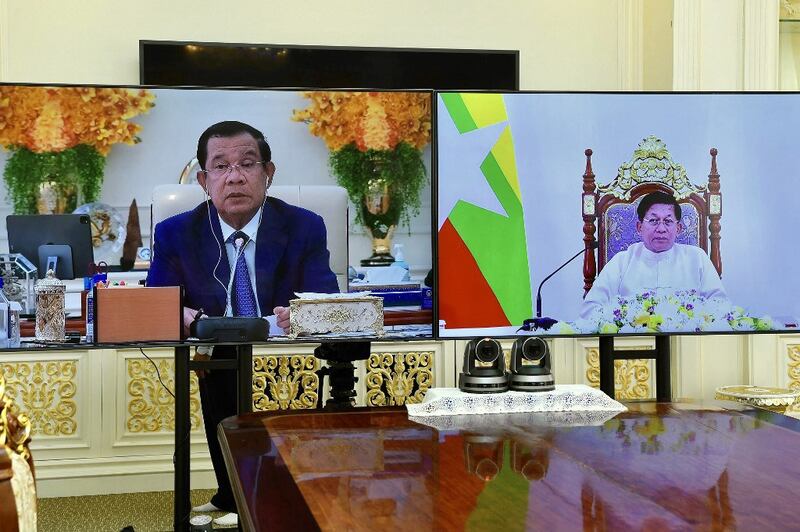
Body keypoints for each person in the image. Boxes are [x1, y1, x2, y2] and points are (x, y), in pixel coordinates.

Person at [147, 121, 339, 527]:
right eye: (220, 166)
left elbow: (324, 302)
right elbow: (156, 303)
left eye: (247, 164)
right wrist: (182, 316)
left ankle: (278, 499)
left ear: (268, 173)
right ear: (203, 179)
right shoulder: (175, 233)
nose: (234, 176)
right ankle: (236, 497)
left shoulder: (304, 226)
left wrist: (300, 314)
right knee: (222, 366)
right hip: (217, 361)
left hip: (290, 363)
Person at [580, 191, 727, 319]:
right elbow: (590, 310)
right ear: (639, 227)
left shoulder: (697, 258)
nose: (661, 229)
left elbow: (720, 306)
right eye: (654, 221)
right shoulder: (622, 262)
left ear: (679, 228)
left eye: (668, 221)